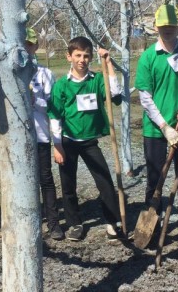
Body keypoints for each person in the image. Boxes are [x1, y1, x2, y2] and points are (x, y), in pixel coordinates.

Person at [48, 36, 125, 241]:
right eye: (78, 55)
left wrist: (108, 63)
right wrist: (57, 146)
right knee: (68, 185)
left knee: (105, 181)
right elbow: (55, 117)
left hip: (90, 142)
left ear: (90, 58)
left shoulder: (97, 80)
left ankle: (112, 222)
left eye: (86, 56)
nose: (82, 60)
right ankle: (75, 224)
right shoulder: (62, 85)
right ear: (69, 57)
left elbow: (115, 94)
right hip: (68, 141)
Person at [134, 4, 178, 248]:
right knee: (154, 180)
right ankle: (153, 228)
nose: (167, 29)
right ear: (156, 27)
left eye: (172, 25)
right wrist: (164, 127)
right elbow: (145, 97)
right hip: (156, 131)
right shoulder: (149, 57)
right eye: (163, 26)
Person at [24, 27, 64, 241]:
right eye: (22, 44)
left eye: (29, 44)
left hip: (40, 135)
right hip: (17, 139)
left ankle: (54, 223)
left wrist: (34, 99)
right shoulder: (8, 73)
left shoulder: (44, 74)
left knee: (45, 179)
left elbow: (52, 107)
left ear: (35, 46)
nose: (25, 48)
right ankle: (28, 221)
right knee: (23, 181)